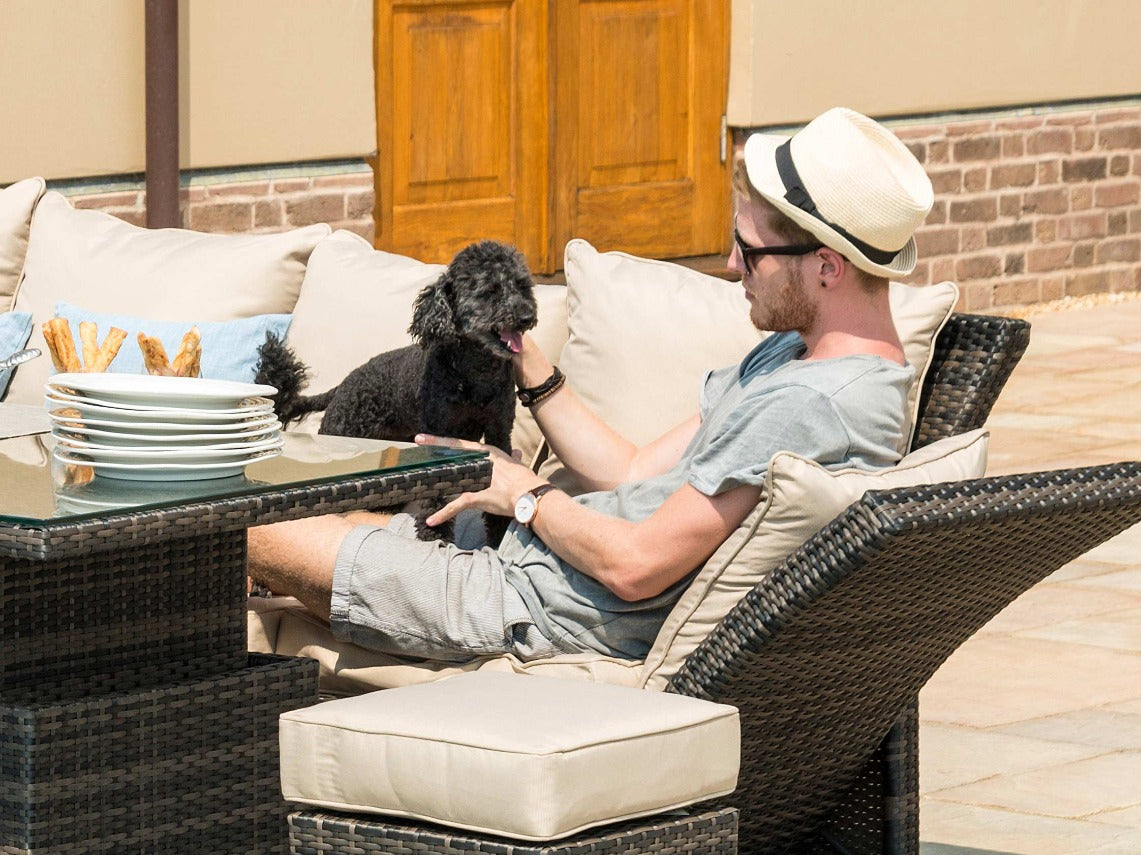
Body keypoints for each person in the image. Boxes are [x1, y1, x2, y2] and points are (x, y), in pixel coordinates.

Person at [248, 106, 934, 665]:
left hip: (530, 605)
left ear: (827, 267)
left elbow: (635, 567)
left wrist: (522, 492)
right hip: (535, 565)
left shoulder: (810, 406)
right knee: (309, 520)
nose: (731, 265)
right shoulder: (793, 358)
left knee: (231, 530)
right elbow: (631, 468)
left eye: (749, 250)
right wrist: (525, 360)